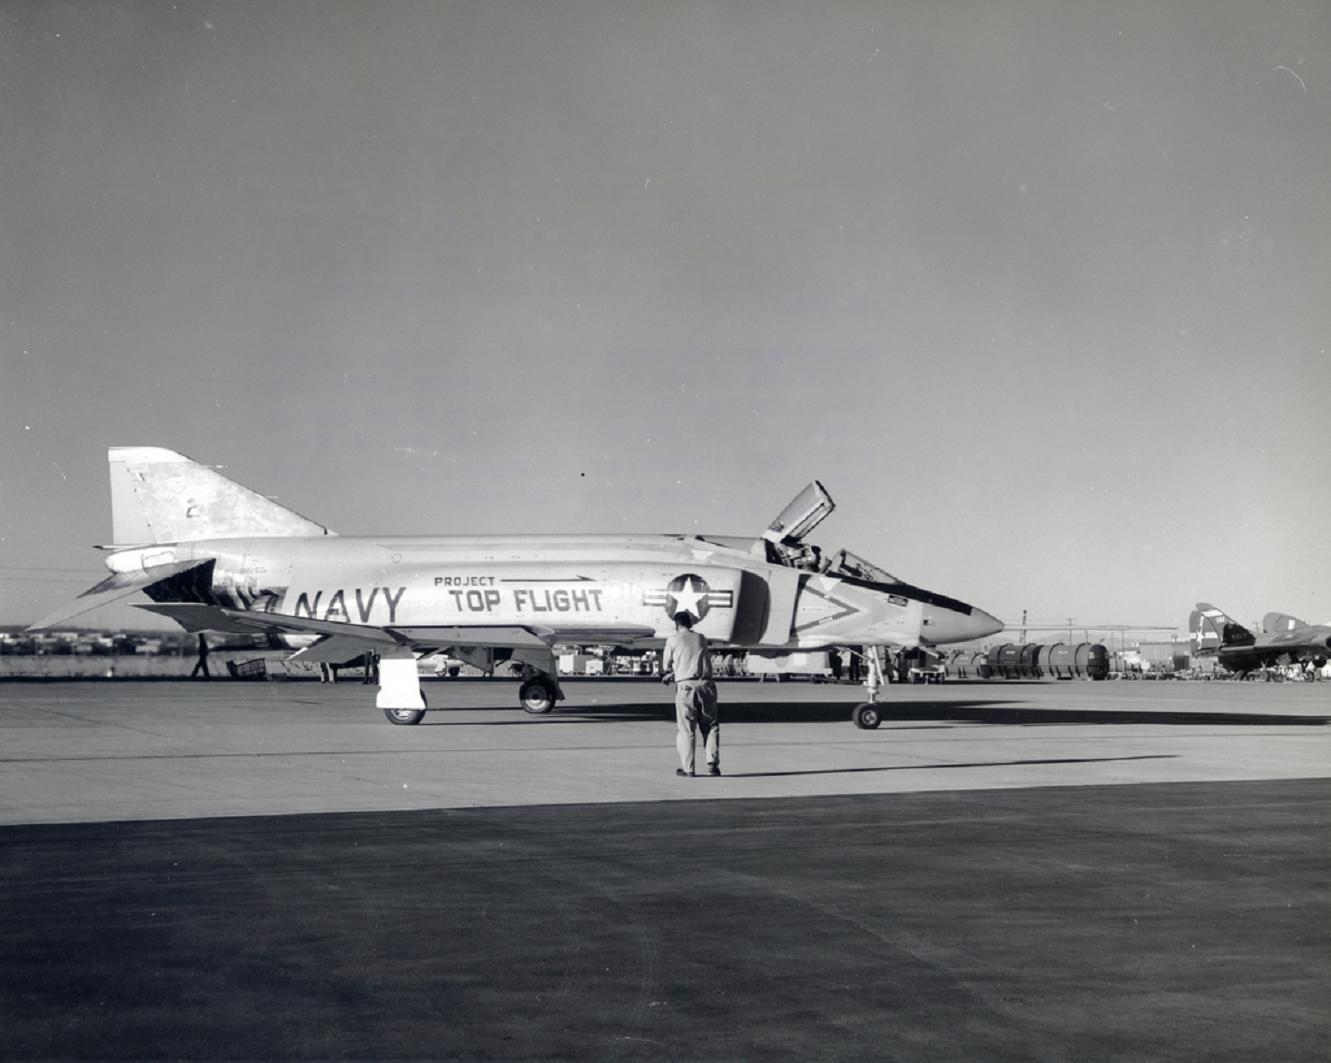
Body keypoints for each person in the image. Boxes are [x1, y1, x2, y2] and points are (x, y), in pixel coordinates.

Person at [661, 612, 720, 777]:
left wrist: (668, 674)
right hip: (707, 685)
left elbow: (668, 665)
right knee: (711, 726)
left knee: (687, 729)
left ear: (676, 624)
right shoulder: (701, 638)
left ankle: (689, 769)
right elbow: (694, 662)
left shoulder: (672, 639)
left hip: (686, 687)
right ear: (691, 624)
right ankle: (712, 764)